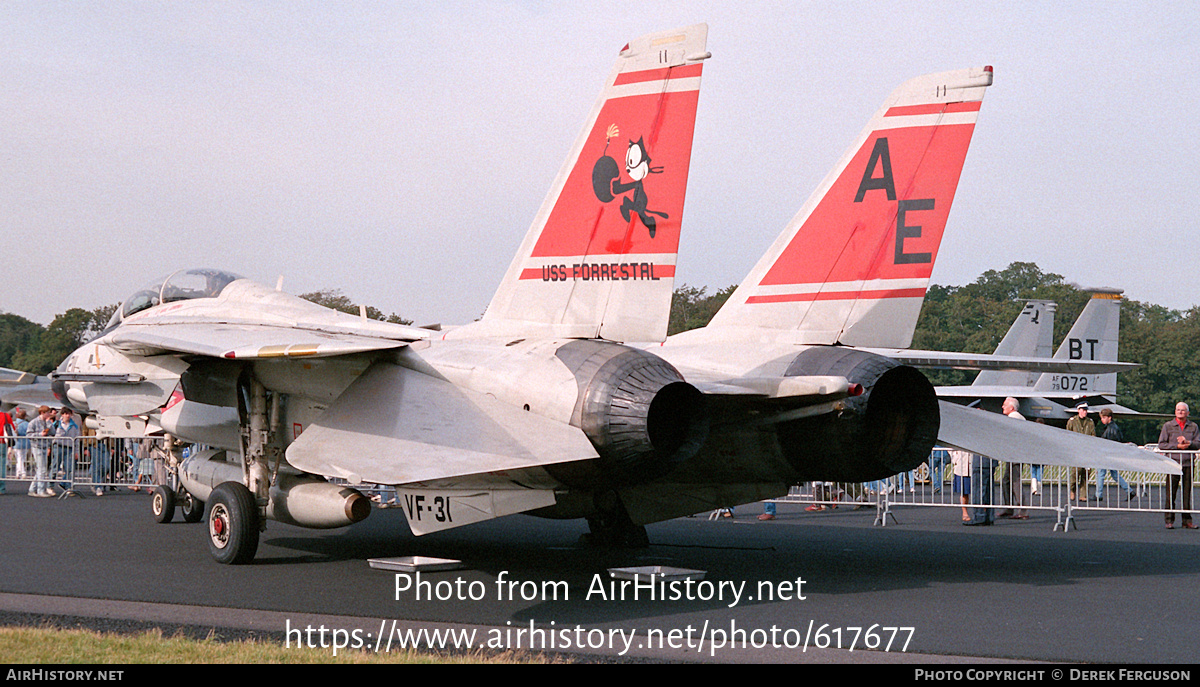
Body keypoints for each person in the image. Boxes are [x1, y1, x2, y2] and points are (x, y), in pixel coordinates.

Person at [1157, 402, 1198, 530]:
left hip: (1187, 463)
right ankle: (1169, 520)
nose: (1180, 412)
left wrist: (1188, 443)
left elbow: (1198, 443)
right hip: (1173, 463)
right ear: (1175, 412)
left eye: (1183, 410)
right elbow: (1162, 444)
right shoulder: (1168, 426)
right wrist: (1177, 446)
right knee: (1171, 493)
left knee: (1187, 494)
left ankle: (1187, 521)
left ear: (1188, 413)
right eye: (1178, 410)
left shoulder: (1193, 426)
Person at [998, 397, 1028, 519]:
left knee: (1015, 482)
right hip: (1014, 454)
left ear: (1012, 407)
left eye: (1005, 405)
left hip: (1015, 455)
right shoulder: (1019, 417)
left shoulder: (1014, 418)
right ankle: (1010, 507)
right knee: (1007, 480)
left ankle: (1022, 510)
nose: (1002, 407)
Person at [1095, 408, 1134, 501]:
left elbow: (1108, 443)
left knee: (1101, 473)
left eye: (1104, 417)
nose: (1102, 420)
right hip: (1112, 455)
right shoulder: (1113, 427)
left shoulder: (1110, 429)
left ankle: (1098, 495)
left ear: (1109, 417)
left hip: (1107, 454)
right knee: (1114, 474)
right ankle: (1129, 490)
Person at [1065, 402, 1095, 502]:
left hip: (1087, 451)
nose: (1084, 412)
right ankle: (1072, 490)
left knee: (1085, 473)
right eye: (1082, 410)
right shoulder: (1072, 421)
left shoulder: (1090, 422)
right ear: (1078, 410)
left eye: (1086, 410)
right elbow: (1067, 434)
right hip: (1075, 450)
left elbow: (1093, 436)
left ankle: (1083, 494)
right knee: (1075, 473)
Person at [26, 406, 55, 497]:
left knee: (41, 469)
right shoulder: (33, 422)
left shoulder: (47, 422)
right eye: (47, 412)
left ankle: (32, 489)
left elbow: (53, 432)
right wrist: (40, 434)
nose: (49, 414)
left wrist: (49, 424)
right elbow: (28, 434)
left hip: (45, 446)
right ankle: (40, 490)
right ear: (42, 413)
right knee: (42, 469)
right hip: (37, 446)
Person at [950, 449, 972, 522]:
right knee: (963, 492)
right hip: (961, 465)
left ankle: (981, 513)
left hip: (974, 465)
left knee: (980, 492)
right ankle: (964, 512)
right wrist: (955, 458)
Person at [12, 407, 29, 481]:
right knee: (22, 458)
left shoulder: (14, 423)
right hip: (26, 443)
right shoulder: (27, 424)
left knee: (19, 458)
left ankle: (19, 473)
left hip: (16, 443)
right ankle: (21, 472)